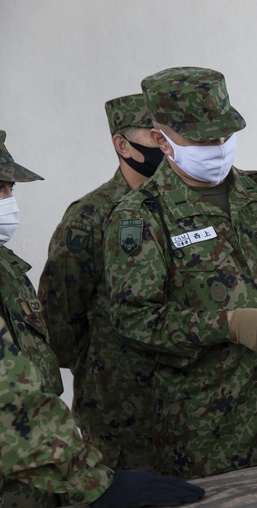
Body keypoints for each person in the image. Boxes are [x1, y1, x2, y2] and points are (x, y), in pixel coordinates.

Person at [103, 67, 257, 479]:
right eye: (201, 138)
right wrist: (229, 325)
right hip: (215, 441)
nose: (216, 147)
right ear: (162, 140)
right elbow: (133, 320)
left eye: (224, 135)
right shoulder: (141, 217)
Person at [0, 129, 203, 508]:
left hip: (43, 477)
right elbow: (59, 326)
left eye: (10, 189)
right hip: (90, 435)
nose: (9, 201)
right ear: (122, 143)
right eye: (0, 189)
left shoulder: (6, 266)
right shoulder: (91, 215)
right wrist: (91, 479)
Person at [38, 94, 163, 470]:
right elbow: (60, 317)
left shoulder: (185, 205)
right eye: (153, 134)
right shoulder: (90, 217)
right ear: (123, 145)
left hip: (191, 408)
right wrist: (103, 363)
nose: (165, 144)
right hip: (121, 413)